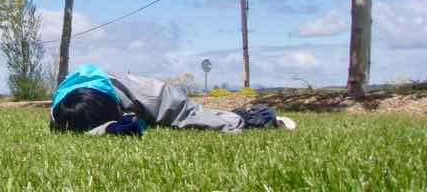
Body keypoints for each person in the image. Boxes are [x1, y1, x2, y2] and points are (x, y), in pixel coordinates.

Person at [50, 64, 295, 136]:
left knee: (195, 116)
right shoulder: (63, 106)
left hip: (143, 97)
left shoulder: (148, 92)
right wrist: (106, 129)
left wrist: (237, 123)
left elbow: (186, 114)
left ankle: (259, 116)